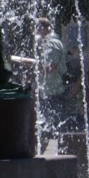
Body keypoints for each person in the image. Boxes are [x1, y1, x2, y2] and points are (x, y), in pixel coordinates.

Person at [35, 18, 68, 147]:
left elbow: (50, 67)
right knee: (51, 125)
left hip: (53, 91)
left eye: (38, 28)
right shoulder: (50, 43)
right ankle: (51, 148)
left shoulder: (52, 44)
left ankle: (52, 151)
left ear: (45, 28)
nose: (36, 32)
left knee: (53, 126)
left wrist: (32, 66)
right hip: (51, 91)